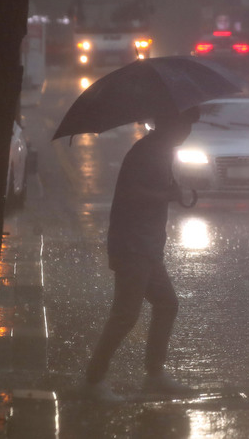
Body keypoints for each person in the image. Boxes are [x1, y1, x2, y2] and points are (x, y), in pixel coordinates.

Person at [82, 107, 200, 401]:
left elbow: (152, 189)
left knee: (167, 304)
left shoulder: (160, 150)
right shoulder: (148, 151)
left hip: (146, 246)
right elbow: (133, 192)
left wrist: (171, 190)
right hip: (133, 246)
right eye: (185, 124)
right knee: (125, 315)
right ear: (170, 123)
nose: (188, 131)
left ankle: (155, 375)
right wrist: (167, 195)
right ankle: (93, 382)